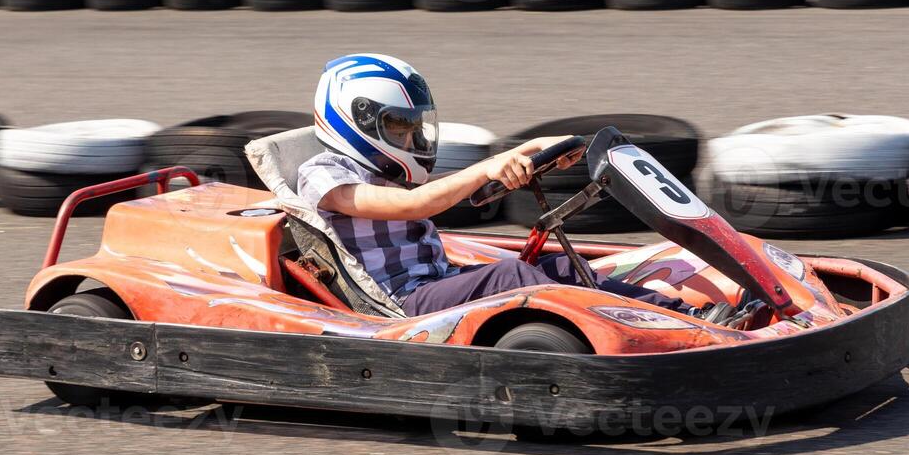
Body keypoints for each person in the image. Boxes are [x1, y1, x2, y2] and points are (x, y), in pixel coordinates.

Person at [294, 54, 750, 324]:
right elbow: (414, 205)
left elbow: (435, 193)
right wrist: (490, 166)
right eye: (398, 126)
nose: (411, 139)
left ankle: (684, 319)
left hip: (438, 281)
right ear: (352, 119)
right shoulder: (323, 175)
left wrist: (533, 149)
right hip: (401, 302)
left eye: (414, 126)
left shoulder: (389, 169)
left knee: (560, 266)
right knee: (510, 276)